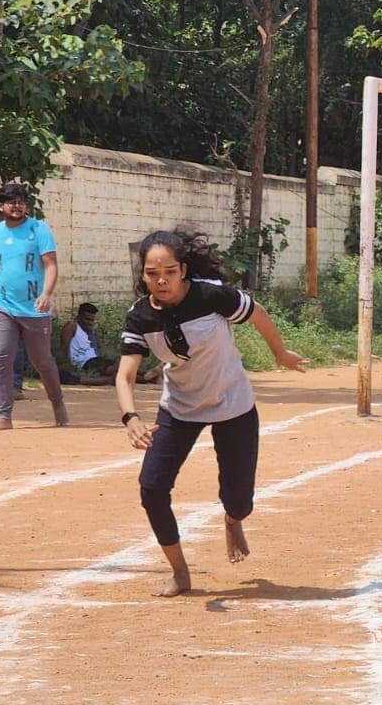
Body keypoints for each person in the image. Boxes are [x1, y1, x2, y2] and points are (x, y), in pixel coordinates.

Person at [115, 229, 307, 596]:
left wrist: (280, 353)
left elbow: (258, 313)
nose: (161, 280)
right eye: (153, 272)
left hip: (232, 404)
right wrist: (132, 418)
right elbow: (125, 375)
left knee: (238, 498)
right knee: (152, 488)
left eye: (169, 271)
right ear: (143, 274)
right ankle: (180, 573)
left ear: (183, 270)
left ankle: (233, 519)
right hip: (179, 408)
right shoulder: (140, 317)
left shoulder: (211, 295)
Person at [0, 182, 66, 430]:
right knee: (1, 357)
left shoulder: (39, 229)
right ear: (1, 206)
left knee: (42, 361)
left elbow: (51, 265)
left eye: (21, 201)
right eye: (11, 202)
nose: (17, 205)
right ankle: (4, 415)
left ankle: (58, 405)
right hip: (2, 306)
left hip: (34, 308)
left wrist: (46, 293)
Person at [59, 301, 120, 384]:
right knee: (112, 368)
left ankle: (142, 376)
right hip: (84, 362)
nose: (90, 322)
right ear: (79, 317)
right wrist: (67, 365)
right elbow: (63, 348)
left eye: (92, 320)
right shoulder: (72, 326)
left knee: (124, 368)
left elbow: (95, 350)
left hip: (96, 360)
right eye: (87, 319)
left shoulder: (89, 332)